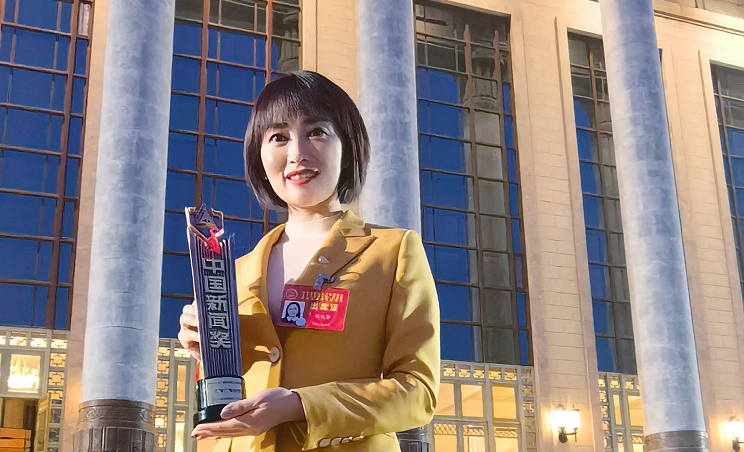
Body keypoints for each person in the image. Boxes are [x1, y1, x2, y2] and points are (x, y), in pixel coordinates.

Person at [178, 70, 440, 452]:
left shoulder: (394, 251)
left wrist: (300, 406)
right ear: (259, 156)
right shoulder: (231, 272)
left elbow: (418, 392)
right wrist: (208, 352)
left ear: (347, 147)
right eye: (278, 137)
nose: (297, 153)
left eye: (316, 131)